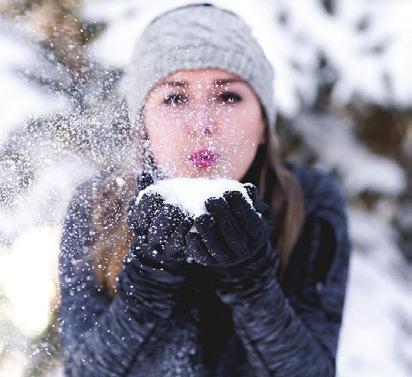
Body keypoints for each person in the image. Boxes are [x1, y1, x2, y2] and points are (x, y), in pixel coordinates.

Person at [58, 3, 352, 377]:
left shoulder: (308, 203)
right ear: (143, 123)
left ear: (263, 122)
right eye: (175, 97)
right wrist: (149, 279)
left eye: (228, 96)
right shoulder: (99, 206)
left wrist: (251, 282)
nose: (202, 124)